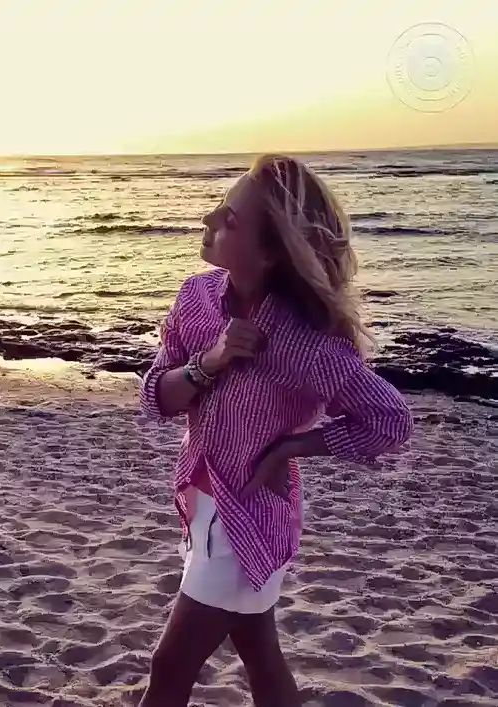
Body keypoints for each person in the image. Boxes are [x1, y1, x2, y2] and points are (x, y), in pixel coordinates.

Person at [137, 154, 413, 707]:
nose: (209, 219)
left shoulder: (306, 343)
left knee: (169, 667)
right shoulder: (196, 298)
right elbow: (154, 398)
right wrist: (208, 362)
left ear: (269, 252)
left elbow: (391, 421)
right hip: (201, 502)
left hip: (250, 519)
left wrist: (293, 446)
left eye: (229, 219)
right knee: (261, 655)